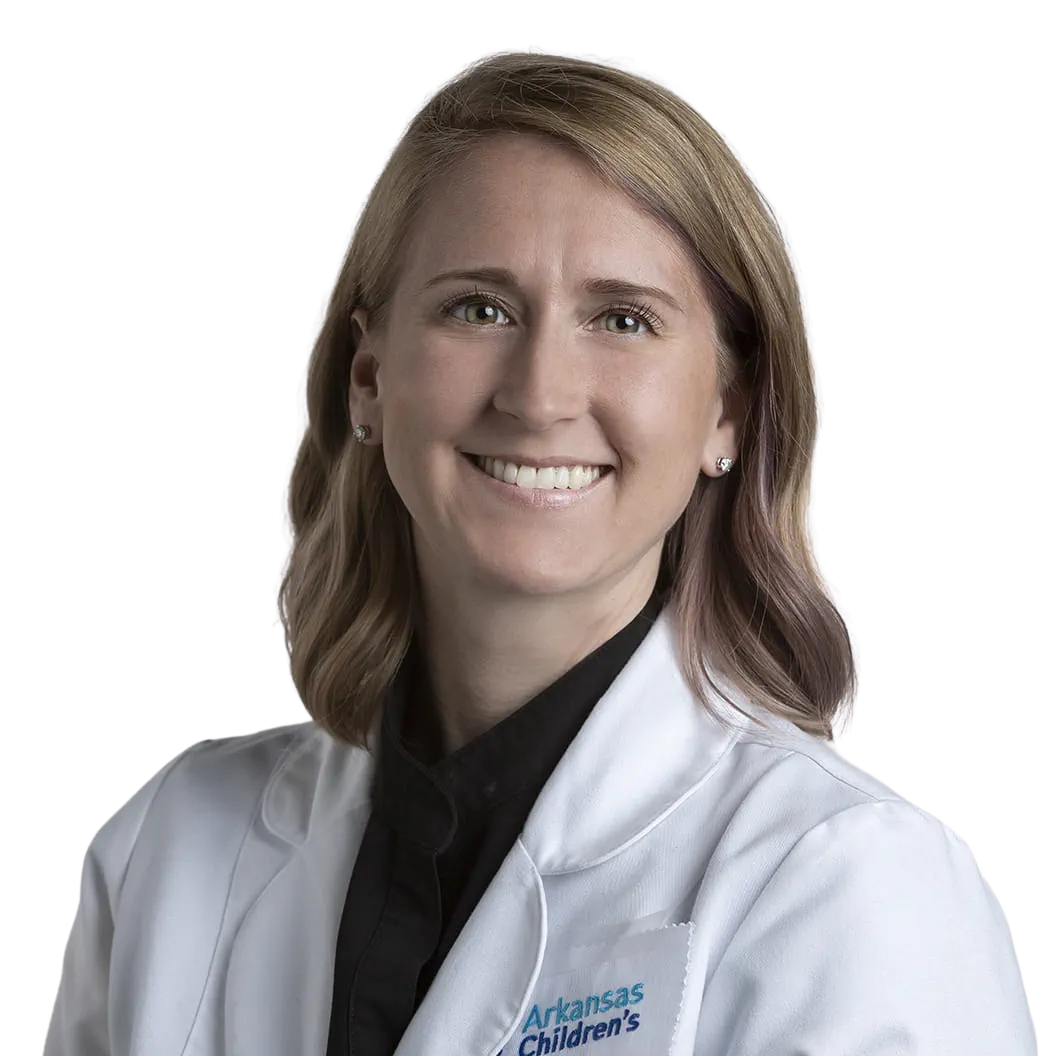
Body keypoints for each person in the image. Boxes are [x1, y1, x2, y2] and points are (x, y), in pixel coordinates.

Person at [44, 48, 1036, 1055]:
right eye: (479, 308)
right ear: (369, 376)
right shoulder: (172, 843)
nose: (540, 393)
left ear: (726, 411)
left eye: (623, 319)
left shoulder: (849, 883)